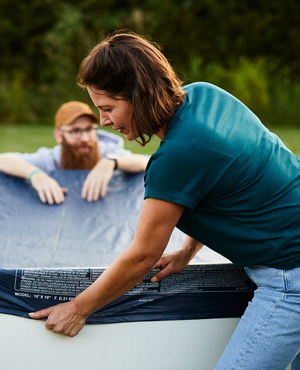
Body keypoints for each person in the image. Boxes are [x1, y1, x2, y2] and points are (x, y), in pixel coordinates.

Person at [28, 31, 300, 369]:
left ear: (139, 95)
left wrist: (78, 308)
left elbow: (142, 256)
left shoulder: (175, 158)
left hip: (291, 275)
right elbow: (223, 186)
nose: (104, 122)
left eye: (109, 108)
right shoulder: (206, 95)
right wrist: (188, 250)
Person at [0, 101, 149, 203]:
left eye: (89, 129)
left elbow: (146, 162)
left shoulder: (107, 151)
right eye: (75, 131)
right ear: (59, 136)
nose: (85, 138)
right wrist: (36, 175)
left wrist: (111, 162)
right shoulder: (51, 159)